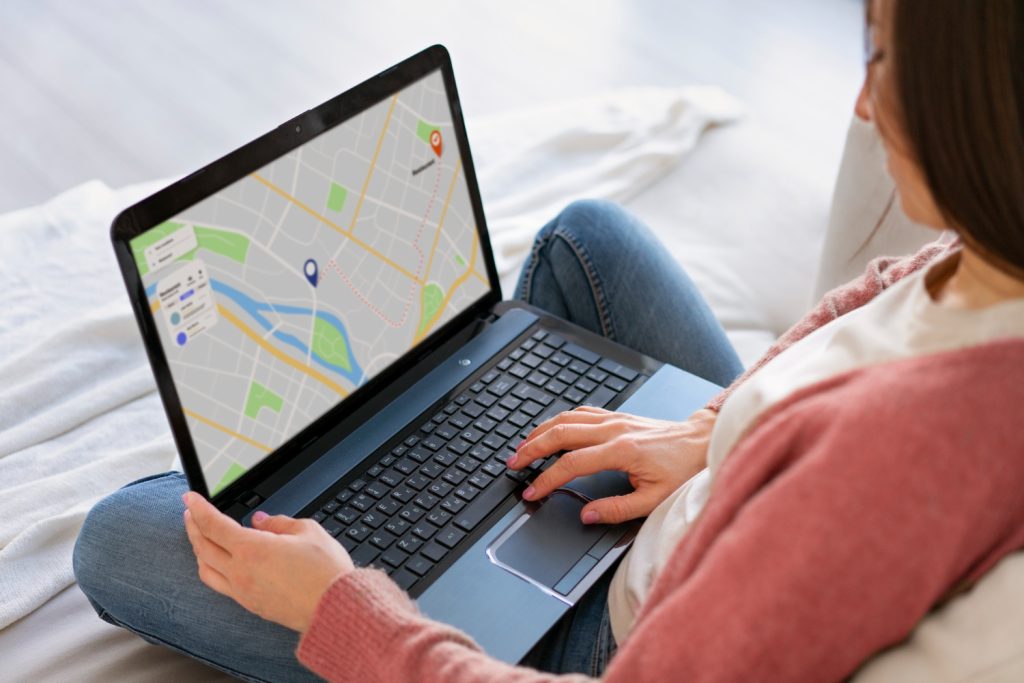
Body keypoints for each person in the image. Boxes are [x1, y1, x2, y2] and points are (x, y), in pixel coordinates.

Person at [73, 0, 1024, 680]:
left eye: (886, 57)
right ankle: (461, 443)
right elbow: (889, 294)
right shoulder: (994, 257)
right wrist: (707, 428)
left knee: (121, 536)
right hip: (709, 489)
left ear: (982, 102)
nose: (864, 104)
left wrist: (341, 607)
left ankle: (451, 541)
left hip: (618, 629)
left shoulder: (889, 467)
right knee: (587, 237)